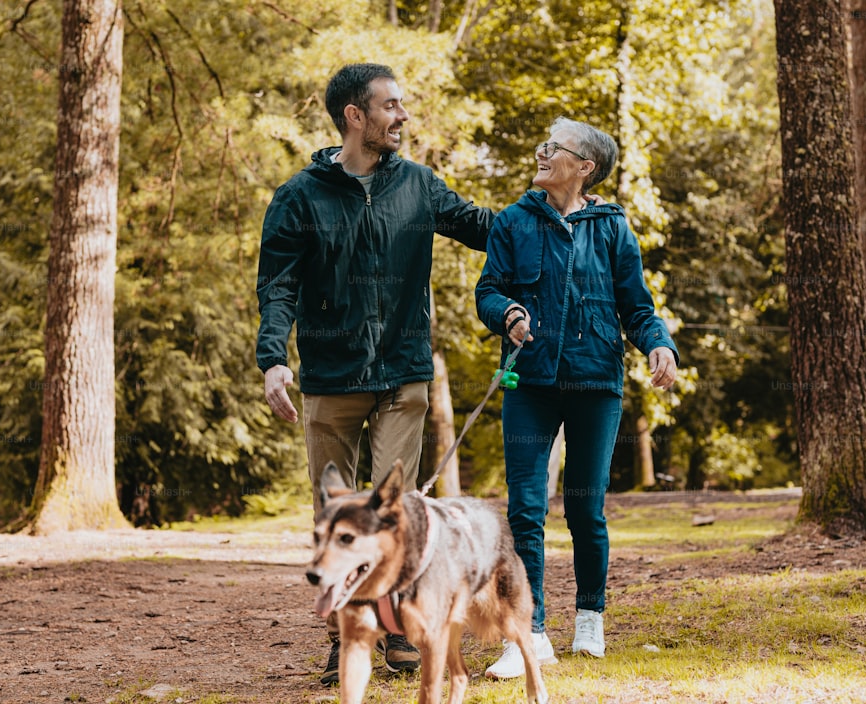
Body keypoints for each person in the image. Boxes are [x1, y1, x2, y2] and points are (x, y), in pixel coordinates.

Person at [255, 63, 495, 686]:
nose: (403, 117)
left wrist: (561, 208)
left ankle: (397, 632)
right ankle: (347, 634)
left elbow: (484, 228)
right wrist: (273, 359)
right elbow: (276, 288)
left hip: (402, 373)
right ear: (354, 116)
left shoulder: (418, 184)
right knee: (337, 517)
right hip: (331, 378)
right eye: (391, 106)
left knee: (397, 511)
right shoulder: (298, 198)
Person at [474, 117, 679, 678]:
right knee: (526, 510)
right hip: (531, 384)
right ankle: (529, 634)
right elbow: (488, 291)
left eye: (553, 147)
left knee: (586, 509)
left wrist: (659, 345)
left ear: (584, 166)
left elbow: (636, 307)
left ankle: (590, 615)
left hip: (595, 384)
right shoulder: (513, 221)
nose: (541, 152)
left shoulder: (612, 227)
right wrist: (508, 314)